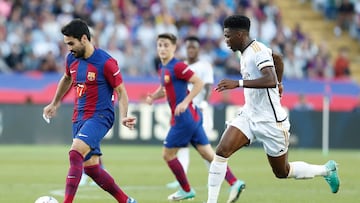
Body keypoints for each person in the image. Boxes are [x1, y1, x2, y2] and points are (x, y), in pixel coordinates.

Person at [207, 15, 340, 203]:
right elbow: (277, 58)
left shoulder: (257, 50)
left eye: (228, 36)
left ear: (239, 34)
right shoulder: (245, 51)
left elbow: (269, 79)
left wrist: (239, 83)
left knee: (282, 172)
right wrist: (280, 83)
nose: (226, 41)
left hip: (272, 122)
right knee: (221, 152)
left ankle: (327, 170)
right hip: (249, 115)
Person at [42, 19, 137, 203]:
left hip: (101, 116)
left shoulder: (106, 62)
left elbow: (121, 91)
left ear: (84, 38)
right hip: (79, 117)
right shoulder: (72, 59)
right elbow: (66, 78)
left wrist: (124, 115)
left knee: (75, 153)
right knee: (92, 168)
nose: (69, 48)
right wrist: (54, 103)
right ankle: (126, 201)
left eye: (71, 43)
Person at [146, 33, 245, 202]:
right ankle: (234, 182)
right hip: (192, 117)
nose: (162, 48)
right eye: (160, 45)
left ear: (174, 48)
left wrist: (185, 102)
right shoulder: (164, 68)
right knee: (208, 154)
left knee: (167, 155)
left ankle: (186, 189)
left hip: (184, 118)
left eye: (166, 45)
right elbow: (164, 88)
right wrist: (153, 97)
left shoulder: (177, 66)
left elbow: (199, 83)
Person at [166, 35, 215, 189]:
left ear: (198, 48)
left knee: (205, 149)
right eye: (188, 47)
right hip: (186, 112)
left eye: (193, 47)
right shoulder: (182, 65)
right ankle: (182, 179)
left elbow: (207, 86)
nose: (191, 50)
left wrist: (205, 103)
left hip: (200, 110)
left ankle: (215, 176)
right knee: (182, 147)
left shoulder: (204, 65)